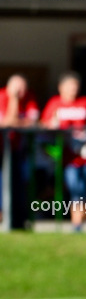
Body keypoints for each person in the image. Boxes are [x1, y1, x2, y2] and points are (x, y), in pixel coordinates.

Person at [41, 72, 86, 232]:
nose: (73, 89)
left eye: (75, 86)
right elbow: (45, 124)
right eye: (69, 86)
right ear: (61, 87)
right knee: (75, 188)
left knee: (85, 188)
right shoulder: (55, 103)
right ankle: (78, 223)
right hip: (67, 155)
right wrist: (53, 125)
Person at [0, 74, 41, 228]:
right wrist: (14, 100)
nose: (20, 92)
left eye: (23, 88)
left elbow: (34, 122)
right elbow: (8, 123)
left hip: (18, 149)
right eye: (17, 89)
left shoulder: (30, 98)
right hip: (2, 148)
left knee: (18, 184)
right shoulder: (2, 97)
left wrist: (17, 122)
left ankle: (17, 220)